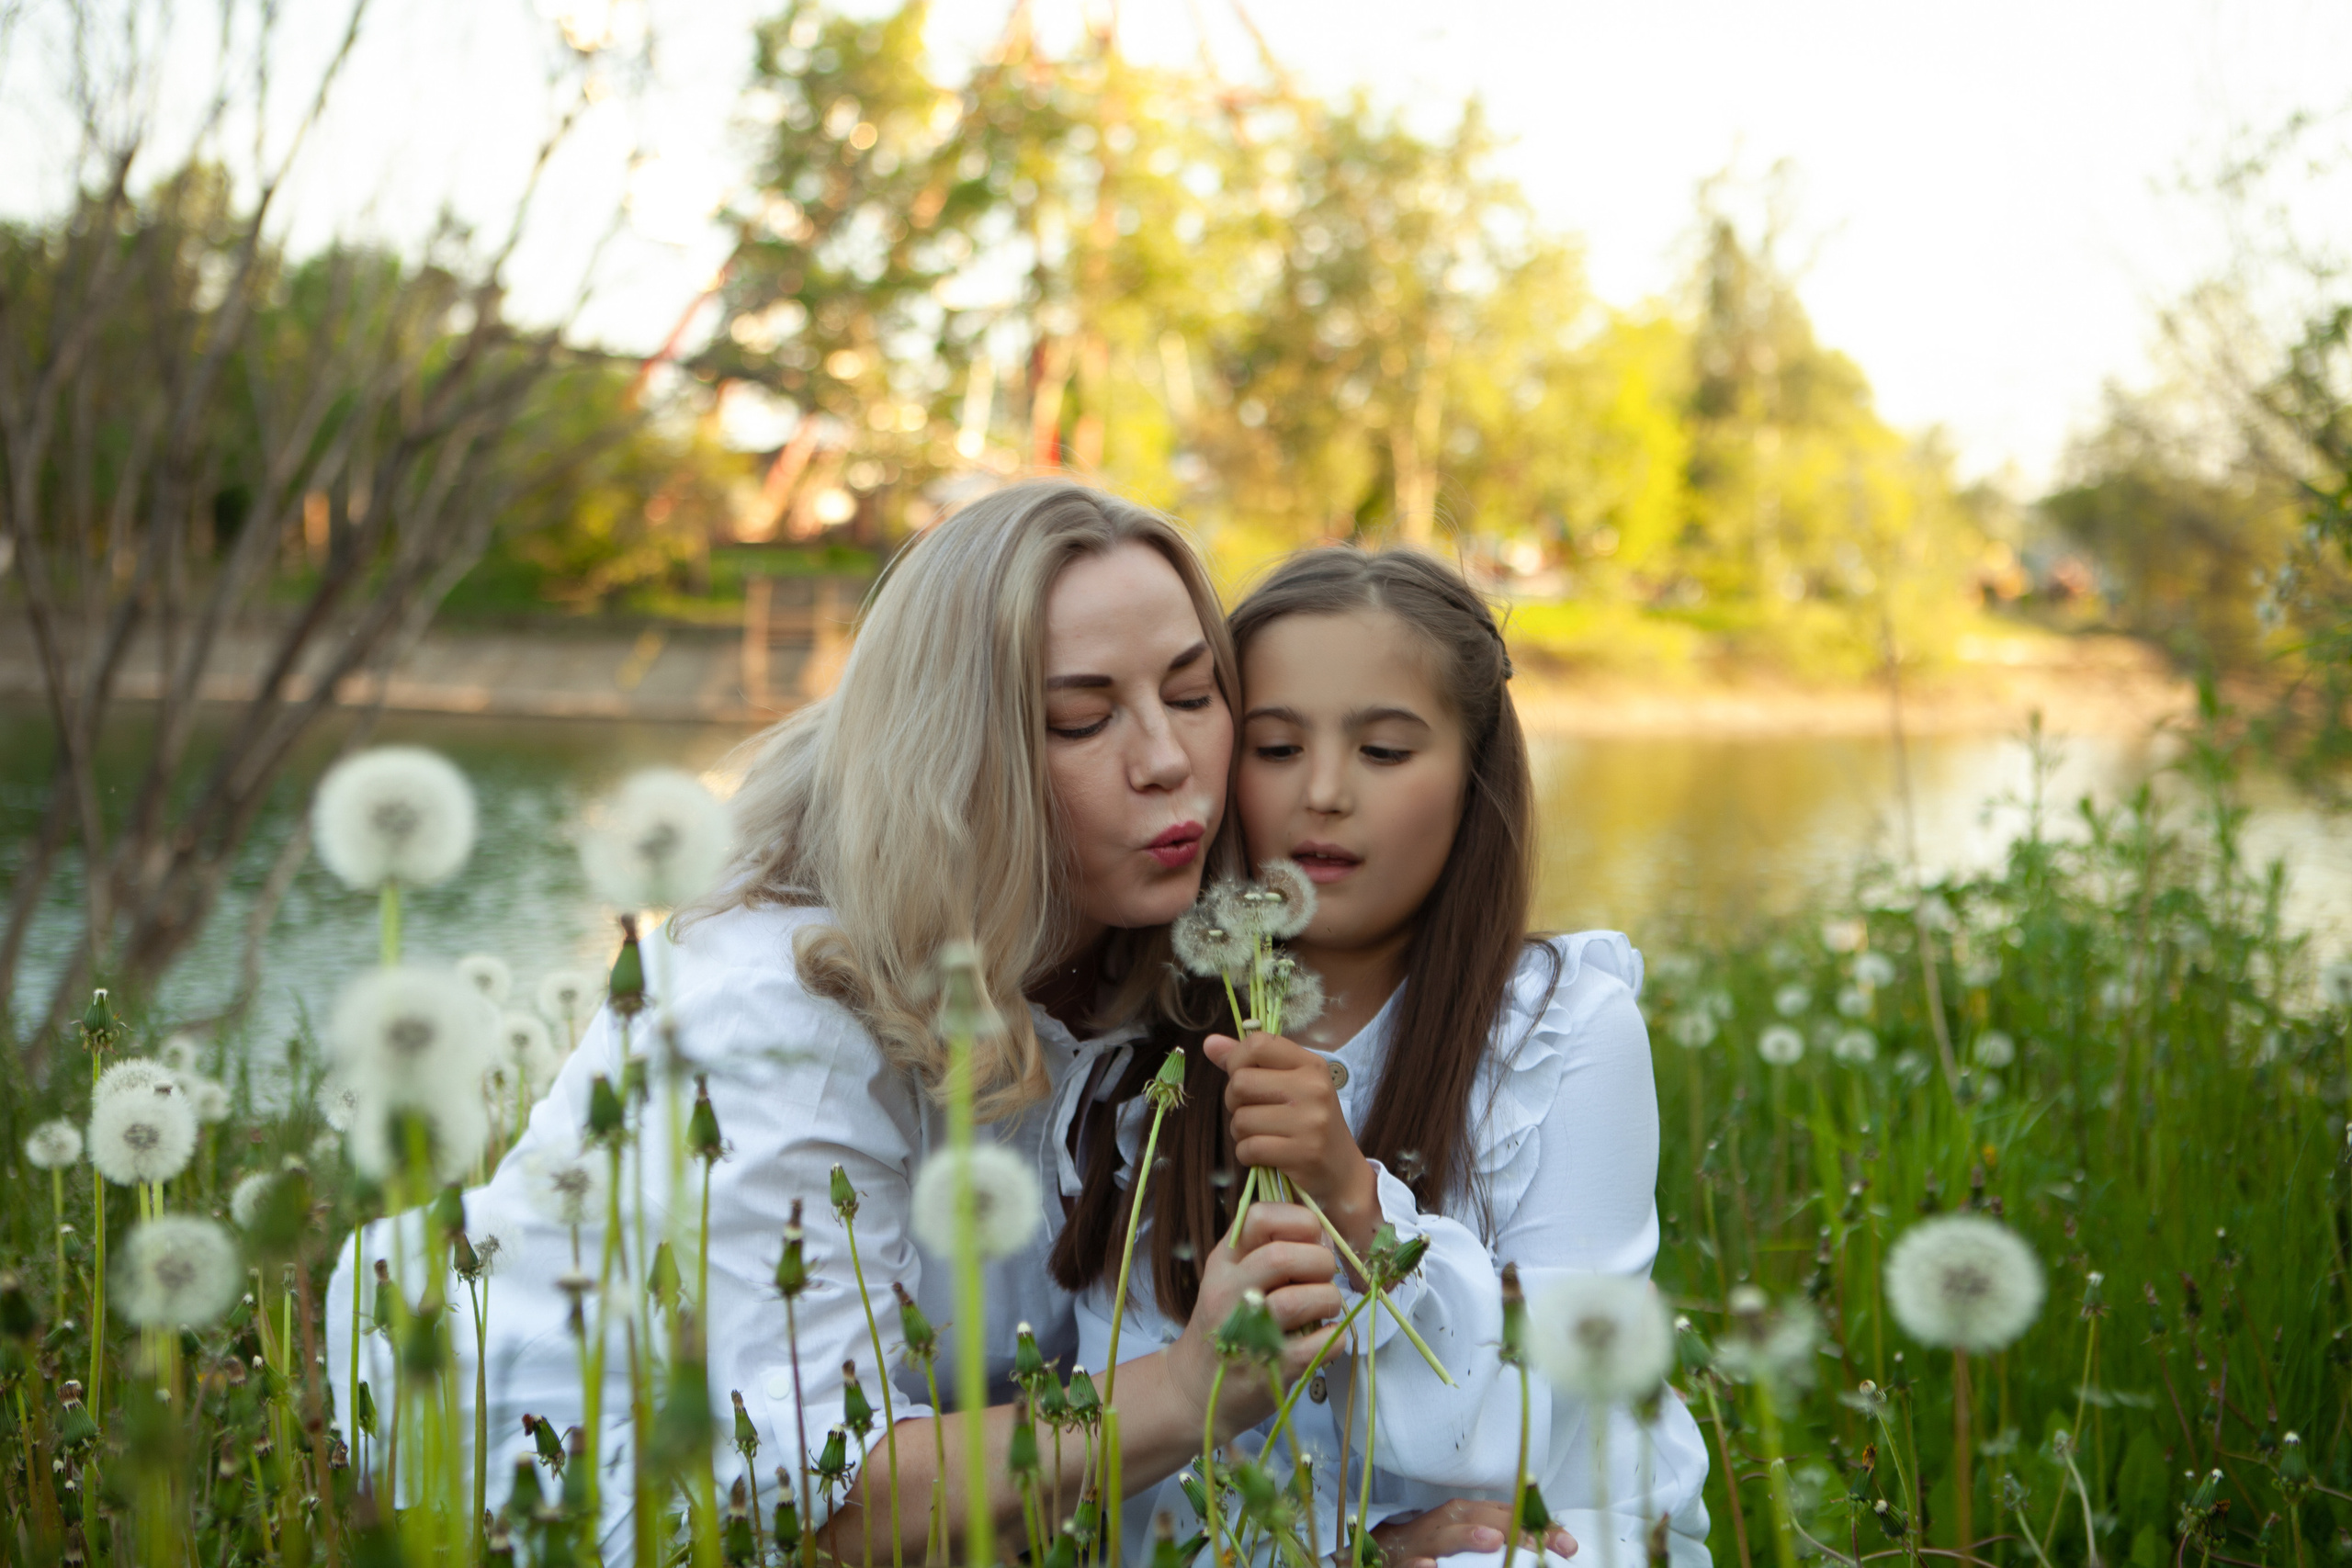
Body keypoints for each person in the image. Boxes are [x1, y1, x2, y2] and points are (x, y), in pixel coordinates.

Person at [328, 481, 1351, 1562]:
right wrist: (1190, 1390)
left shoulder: (1166, 963)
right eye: (1080, 720)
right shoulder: (787, 1013)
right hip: (589, 1481)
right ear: (957, 757)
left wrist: (1351, 1527)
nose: (1165, 759)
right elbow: (819, 1495)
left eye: (1194, 695)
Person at [1051, 547, 1712, 1567]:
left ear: (1472, 773)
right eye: (1274, 748)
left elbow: (1562, 1419)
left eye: (1386, 752)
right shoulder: (1152, 1043)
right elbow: (1138, 1456)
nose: (1323, 792)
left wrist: (1353, 1203)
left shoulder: (1561, 1030)